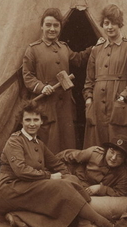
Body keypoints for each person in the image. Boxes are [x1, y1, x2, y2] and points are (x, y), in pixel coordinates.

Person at [0, 100, 115, 227]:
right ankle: (104, 223)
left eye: (35, 119)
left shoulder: (38, 143)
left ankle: (84, 224)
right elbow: (20, 170)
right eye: (27, 120)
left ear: (41, 122)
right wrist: (49, 176)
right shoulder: (15, 141)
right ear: (21, 122)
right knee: (60, 187)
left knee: (71, 180)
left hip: (27, 185)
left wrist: (68, 177)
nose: (32, 124)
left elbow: (57, 164)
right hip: (10, 189)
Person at [22, 8, 91, 153]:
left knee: (68, 143)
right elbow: (28, 76)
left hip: (65, 106)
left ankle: (68, 174)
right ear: (42, 26)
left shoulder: (64, 48)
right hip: (47, 107)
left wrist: (95, 48)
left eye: (56, 25)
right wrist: (41, 87)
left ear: (60, 27)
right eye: (48, 25)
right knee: (49, 144)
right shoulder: (33, 50)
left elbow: (78, 59)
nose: (52, 29)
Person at [83, 4, 127, 149]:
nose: (109, 27)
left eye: (113, 23)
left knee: (118, 143)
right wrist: (89, 100)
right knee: (97, 144)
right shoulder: (96, 50)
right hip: (97, 105)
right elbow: (89, 80)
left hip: (118, 104)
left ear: (120, 24)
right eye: (106, 23)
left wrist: (122, 98)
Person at [59, 134, 127, 198]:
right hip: (74, 181)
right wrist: (63, 172)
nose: (113, 158)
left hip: (93, 198)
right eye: (112, 152)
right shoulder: (94, 153)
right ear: (107, 150)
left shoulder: (124, 173)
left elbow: (121, 193)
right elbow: (66, 156)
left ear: (124, 159)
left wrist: (101, 189)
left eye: (119, 156)